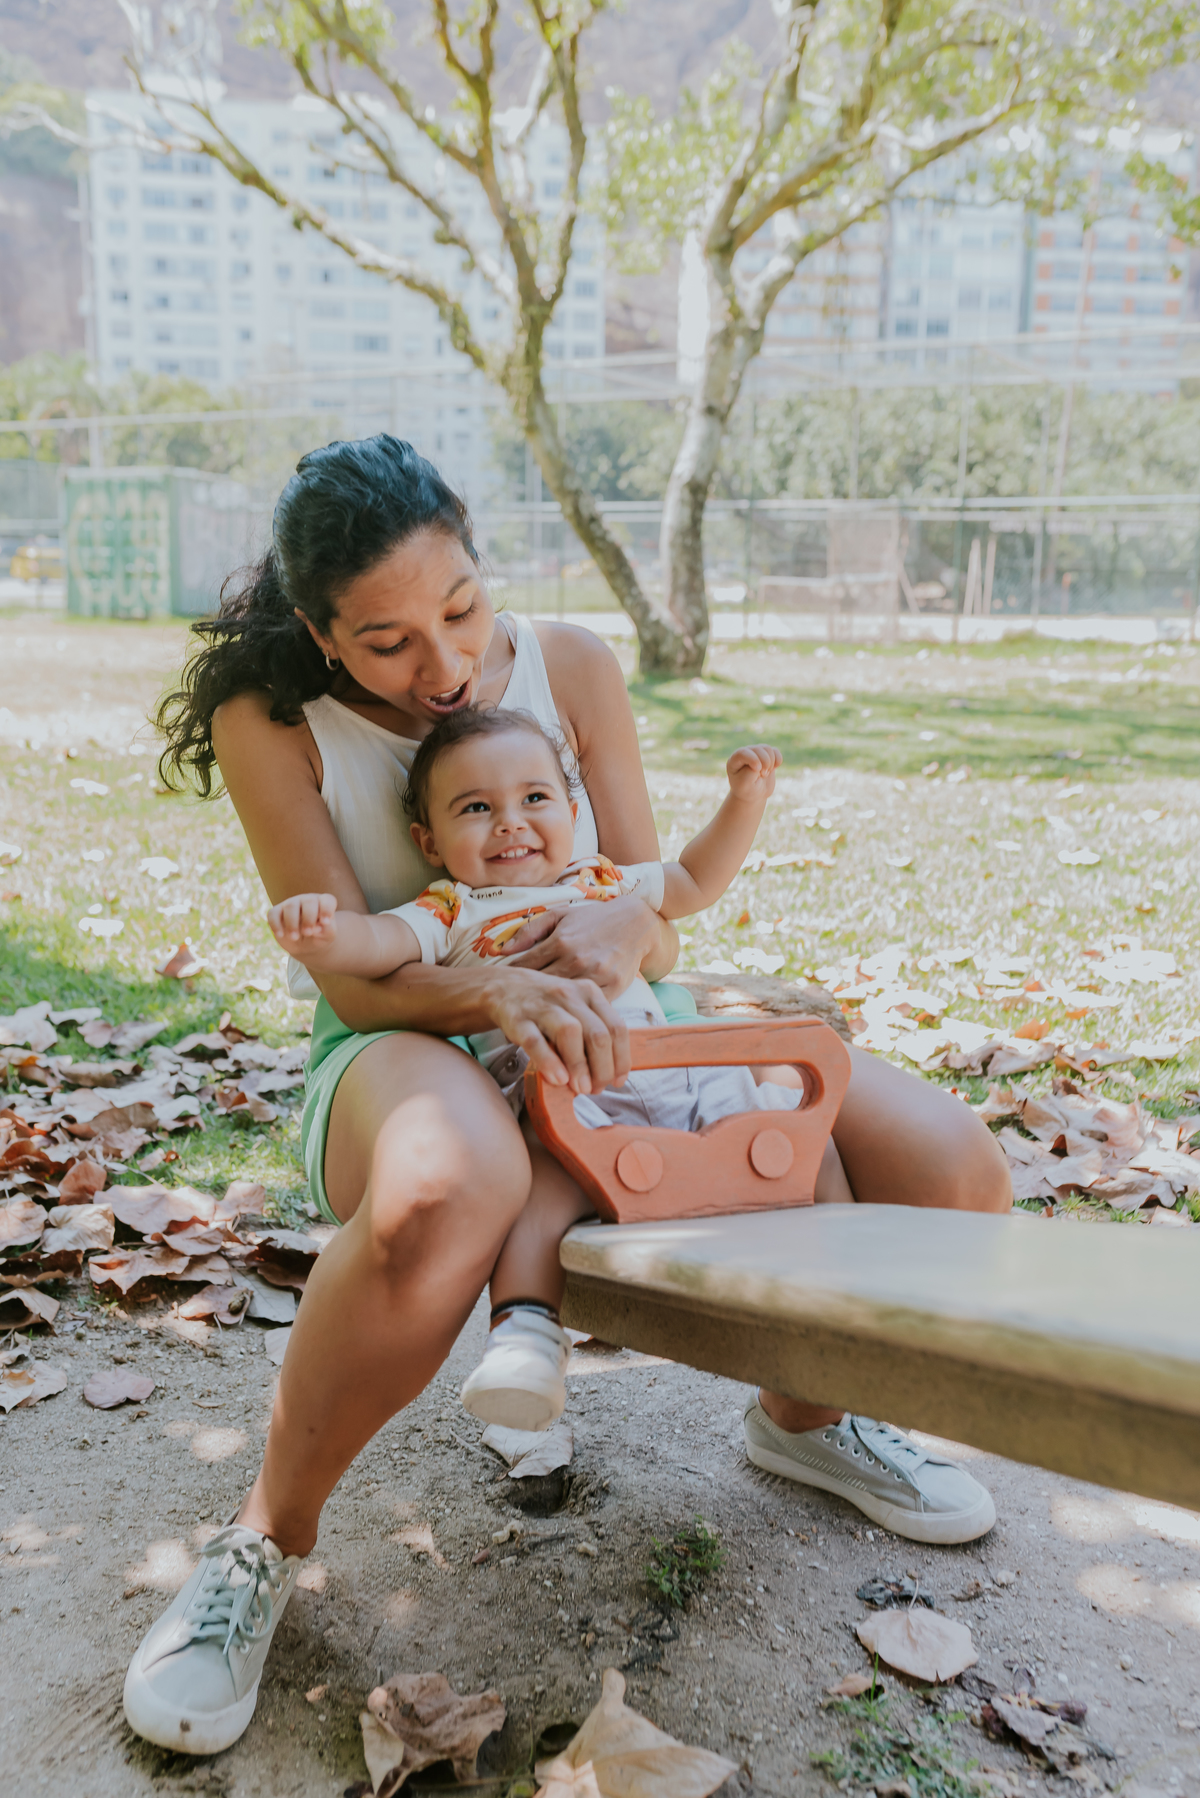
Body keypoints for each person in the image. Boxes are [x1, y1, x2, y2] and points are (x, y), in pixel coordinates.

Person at [124, 435, 1011, 1756]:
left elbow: (653, 903)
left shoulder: (575, 665)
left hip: (616, 1031)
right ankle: (263, 1537)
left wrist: (620, 938)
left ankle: (806, 1416)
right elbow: (356, 977)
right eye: (387, 642)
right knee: (451, 1184)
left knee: (952, 1166)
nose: (443, 665)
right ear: (318, 632)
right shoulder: (276, 722)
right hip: (408, 1037)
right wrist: (496, 987)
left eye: (462, 609)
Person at [267, 704, 808, 1432]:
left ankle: (808, 1246)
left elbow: (692, 879)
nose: (510, 823)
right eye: (476, 808)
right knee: (538, 1189)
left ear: (572, 814)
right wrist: (321, 935)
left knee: (779, 1083)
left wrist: (744, 802)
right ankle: (525, 1335)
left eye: (533, 798)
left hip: (673, 1069)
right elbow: (377, 944)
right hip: (560, 1099)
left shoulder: (602, 881)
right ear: (429, 841)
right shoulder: (450, 910)